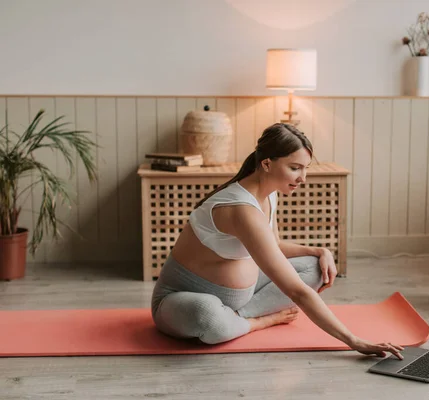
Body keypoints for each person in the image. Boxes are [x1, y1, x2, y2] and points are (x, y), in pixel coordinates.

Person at [151, 122, 404, 360]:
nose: (303, 178)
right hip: (180, 302)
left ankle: (235, 319)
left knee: (317, 267)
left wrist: (320, 250)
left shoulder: (269, 194)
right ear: (267, 164)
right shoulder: (241, 209)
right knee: (207, 316)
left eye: (305, 168)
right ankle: (256, 321)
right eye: (295, 168)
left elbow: (275, 246)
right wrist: (354, 341)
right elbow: (296, 291)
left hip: (243, 298)